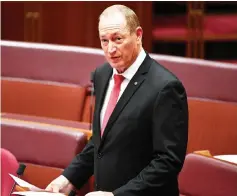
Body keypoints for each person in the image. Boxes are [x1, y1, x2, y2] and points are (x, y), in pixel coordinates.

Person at [46, 4, 189, 196]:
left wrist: (117, 195)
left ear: (138, 35)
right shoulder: (102, 75)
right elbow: (101, 142)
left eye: (118, 39)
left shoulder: (166, 87)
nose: (110, 49)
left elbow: (167, 162)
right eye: (104, 41)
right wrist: (69, 178)